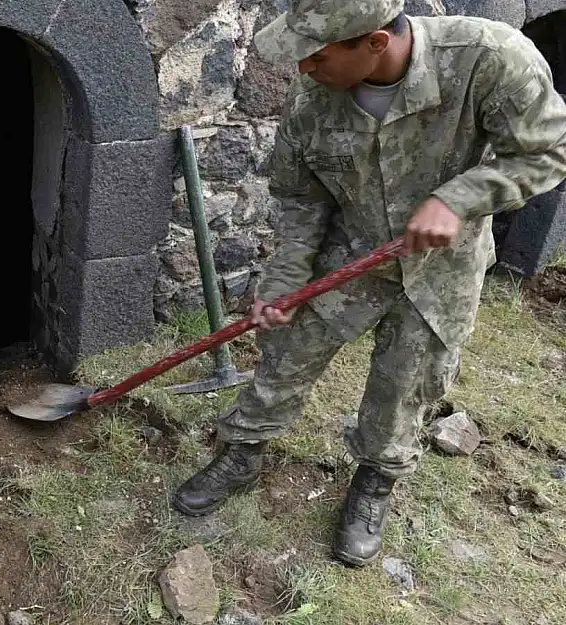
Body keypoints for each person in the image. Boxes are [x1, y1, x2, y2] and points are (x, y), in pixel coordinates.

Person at [171, 0, 566, 567]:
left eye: (318, 55)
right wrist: (284, 280)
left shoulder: (490, 58)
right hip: (351, 250)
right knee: (287, 352)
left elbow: (547, 149)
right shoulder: (312, 98)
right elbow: (301, 198)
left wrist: (457, 199)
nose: (304, 68)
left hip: (441, 266)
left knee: (408, 379)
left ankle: (376, 480)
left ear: (376, 43)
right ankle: (243, 450)